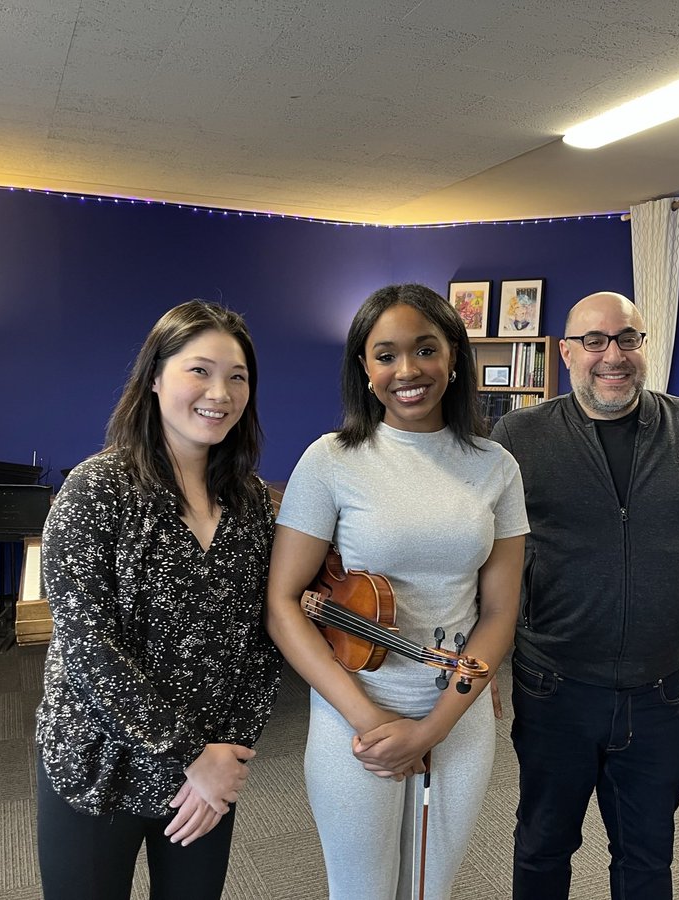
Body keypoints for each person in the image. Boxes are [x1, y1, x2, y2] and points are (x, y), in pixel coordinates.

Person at [490, 291, 679, 900]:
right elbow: (483, 557)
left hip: (658, 691)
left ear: (645, 346)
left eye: (627, 339)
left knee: (646, 861)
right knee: (542, 847)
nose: (612, 355)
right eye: (594, 341)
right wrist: (478, 667)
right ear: (566, 353)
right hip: (553, 686)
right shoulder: (518, 435)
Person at [266, 283, 528, 900]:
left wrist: (433, 727)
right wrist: (372, 720)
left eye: (425, 349)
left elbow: (498, 613)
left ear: (454, 357)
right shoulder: (331, 459)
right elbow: (283, 604)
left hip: (457, 716)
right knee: (361, 891)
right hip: (353, 714)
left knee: (430, 889)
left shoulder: (496, 466)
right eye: (385, 354)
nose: (407, 370)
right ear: (364, 367)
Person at [35, 300, 282, 900]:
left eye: (237, 376)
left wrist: (230, 754)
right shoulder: (96, 488)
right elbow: (87, 644)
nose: (219, 392)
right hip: (99, 764)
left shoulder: (250, 500)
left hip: (206, 777)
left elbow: (267, 634)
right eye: (199, 370)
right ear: (155, 378)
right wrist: (190, 754)